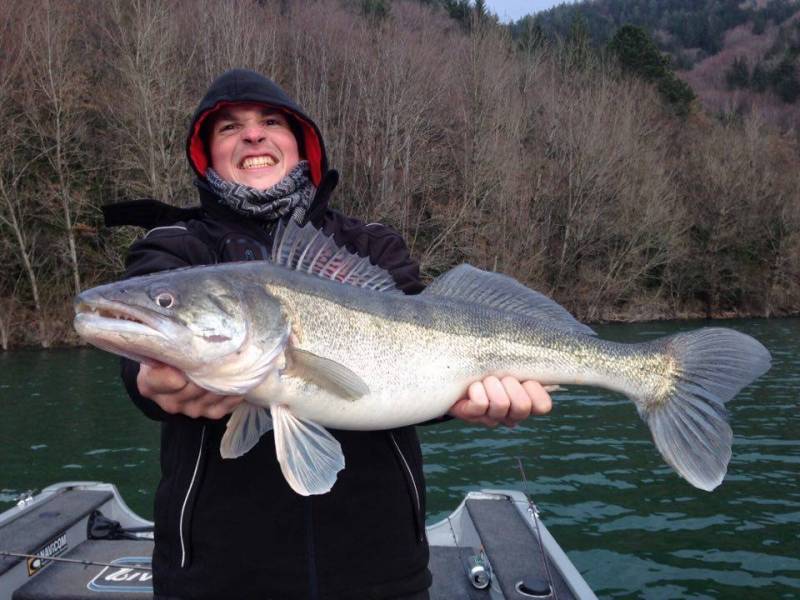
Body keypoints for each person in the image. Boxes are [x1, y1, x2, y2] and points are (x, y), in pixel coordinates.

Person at [115, 69, 552, 600]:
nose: (253, 135)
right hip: (217, 577)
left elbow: (421, 361)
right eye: (229, 128)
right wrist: (145, 377)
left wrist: (469, 400)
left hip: (381, 571)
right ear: (208, 154)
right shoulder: (178, 248)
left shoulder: (370, 245)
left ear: (301, 146)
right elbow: (137, 328)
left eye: (271, 122)